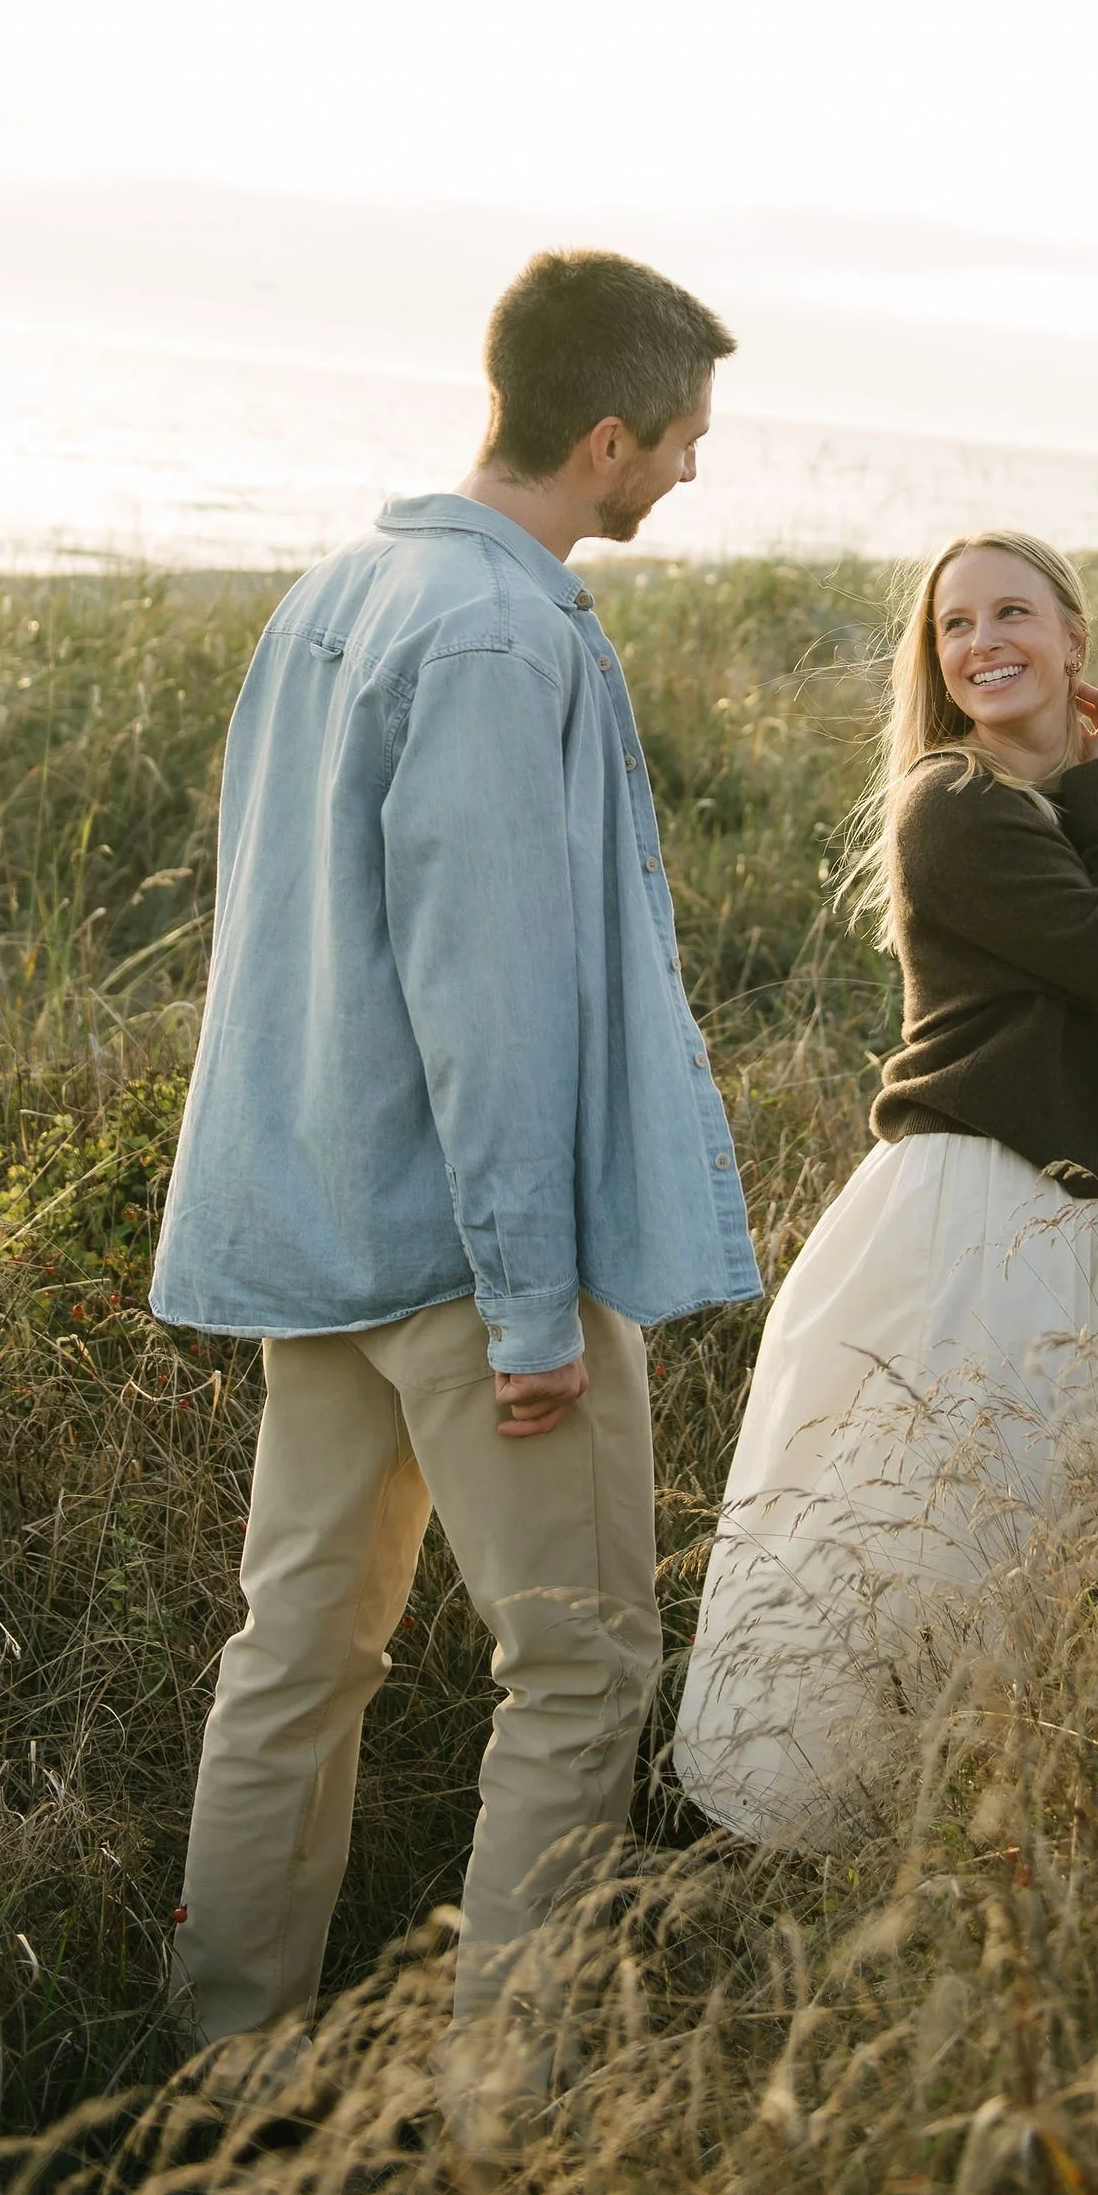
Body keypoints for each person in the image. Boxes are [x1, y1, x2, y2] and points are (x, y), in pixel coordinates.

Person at [151, 248, 760, 2056]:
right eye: (684, 441)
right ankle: (517, 2109)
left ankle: (224, 2075)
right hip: (460, 1263)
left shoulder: (345, 586)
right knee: (583, 1671)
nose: (691, 472)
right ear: (603, 435)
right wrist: (529, 1307)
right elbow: (486, 1007)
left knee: (294, 1660)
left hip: (320, 1223)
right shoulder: (497, 634)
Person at [674, 528, 1098, 1844]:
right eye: (955, 625)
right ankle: (809, 1846)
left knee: (1047, 1547)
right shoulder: (954, 803)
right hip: (969, 1214)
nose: (983, 643)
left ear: (1075, 634)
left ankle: (995, 1835)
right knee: (920, 1548)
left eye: (1012, 612)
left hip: (1083, 1227)